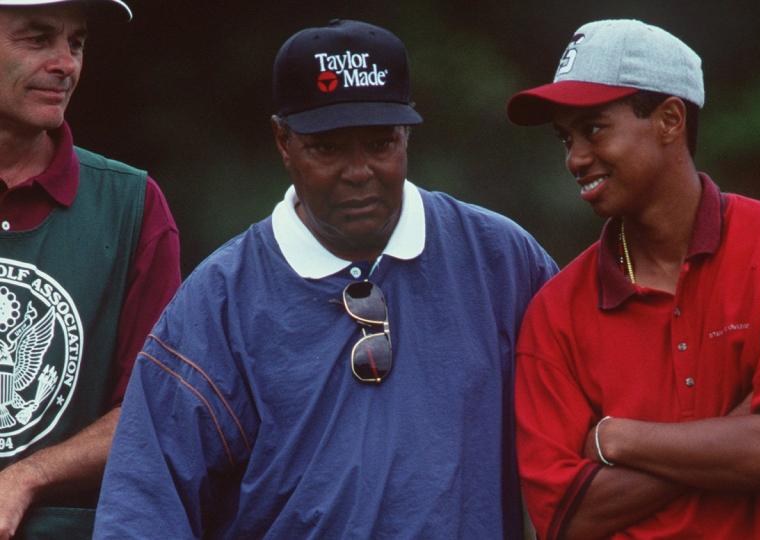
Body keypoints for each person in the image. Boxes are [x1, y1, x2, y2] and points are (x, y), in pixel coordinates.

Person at [93, 18, 556, 539]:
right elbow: (143, 506)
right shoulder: (220, 299)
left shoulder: (500, 260)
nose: (358, 171)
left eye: (380, 144)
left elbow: (583, 441)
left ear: (407, 136)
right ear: (283, 141)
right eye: (329, 148)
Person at [506, 19, 760, 539]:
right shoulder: (555, 311)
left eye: (595, 128)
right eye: (566, 138)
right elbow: (566, 518)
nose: (575, 158)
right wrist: (740, 433)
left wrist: (616, 439)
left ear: (670, 119)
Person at [0, 0, 181, 538]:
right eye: (37, 39)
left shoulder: (133, 206)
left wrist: (26, 477)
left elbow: (156, 409)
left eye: (75, 43)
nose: (66, 64)